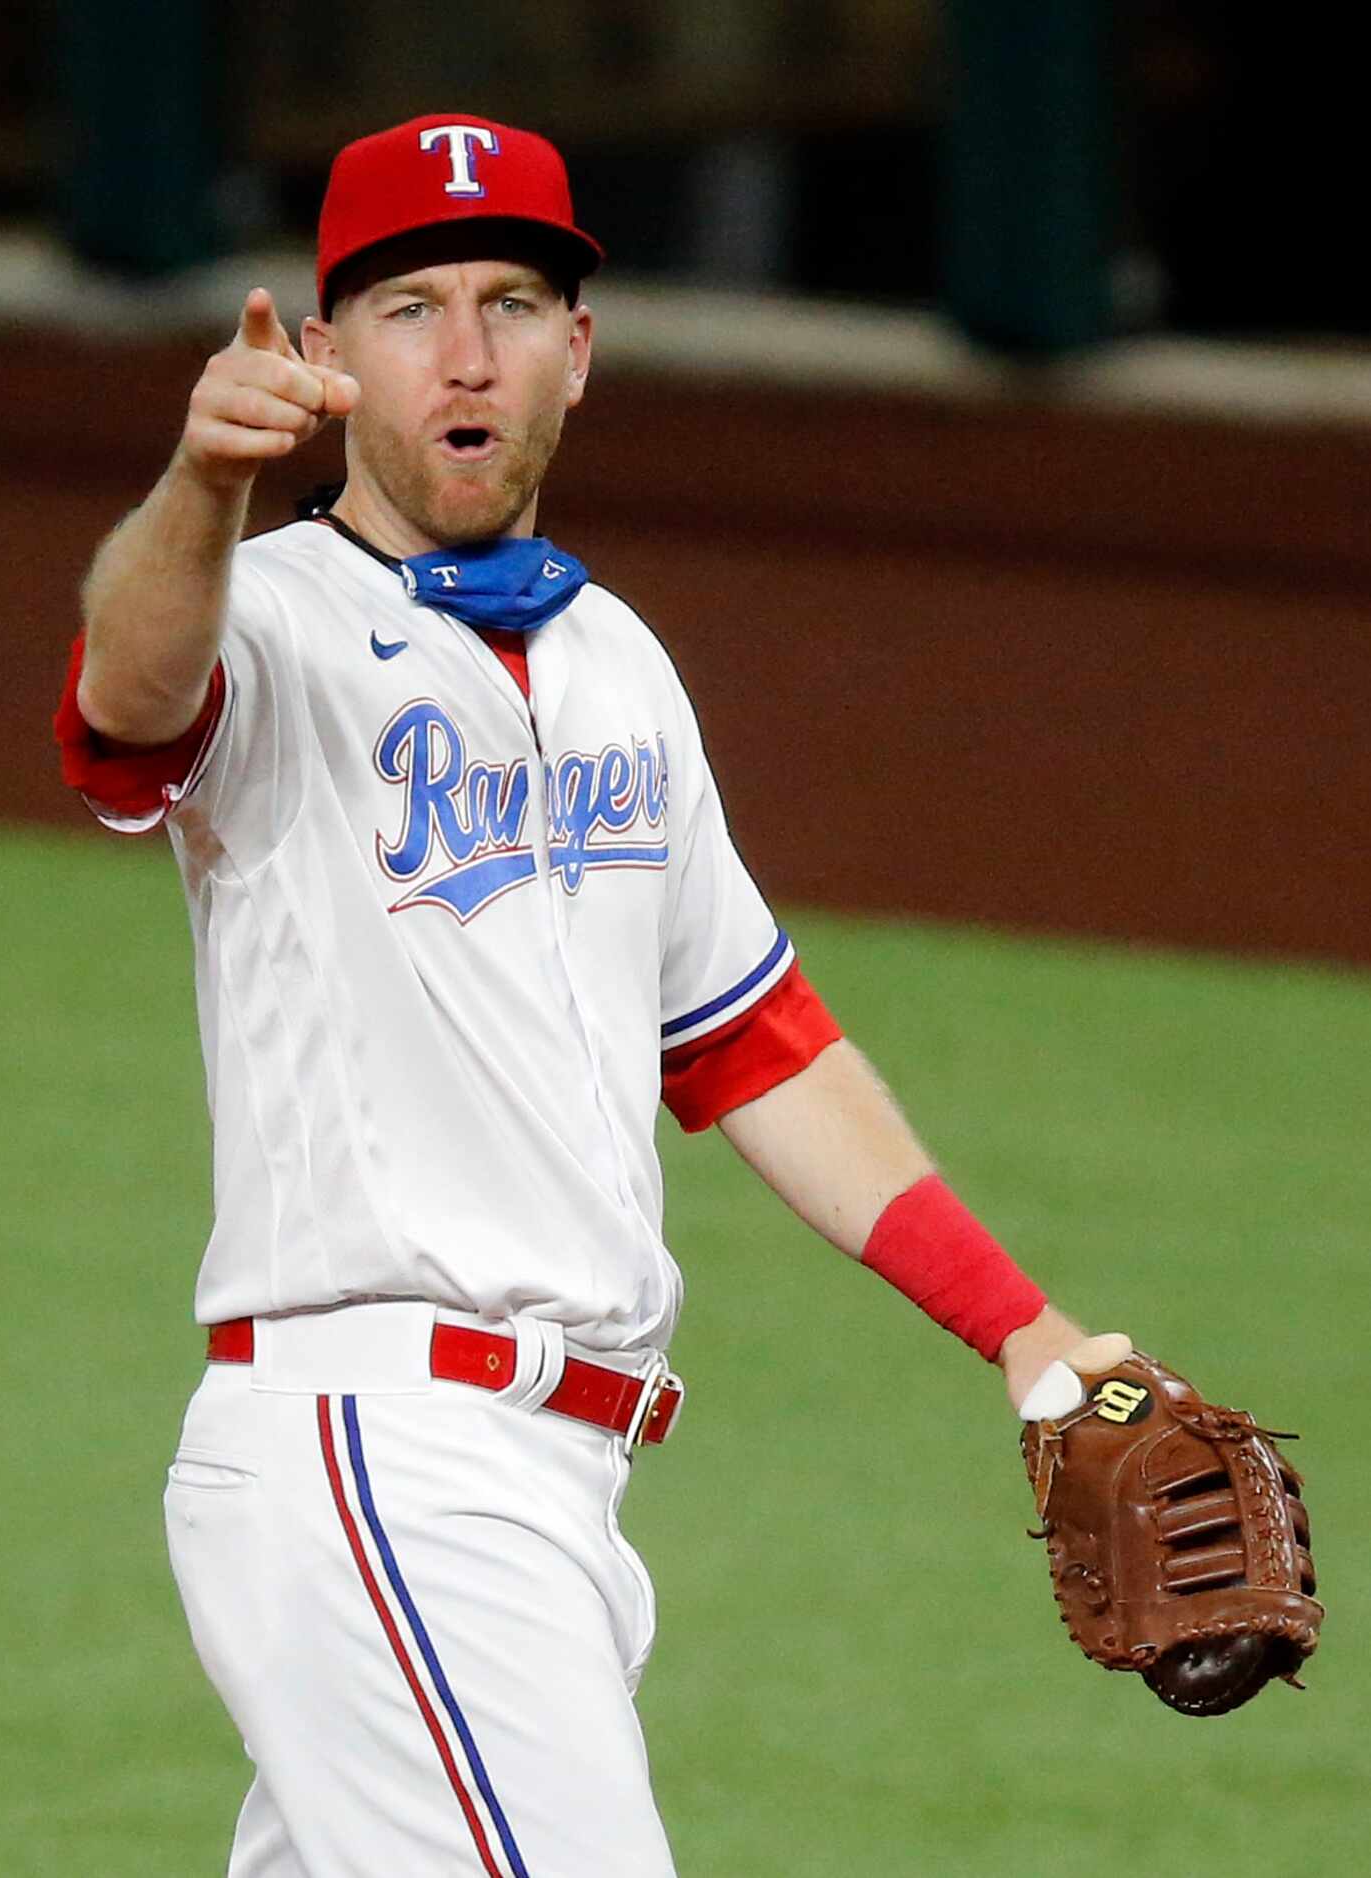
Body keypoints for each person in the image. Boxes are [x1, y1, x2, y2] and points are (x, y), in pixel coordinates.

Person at [56, 113, 1109, 1877]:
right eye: (407, 307)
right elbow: (128, 705)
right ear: (323, 359)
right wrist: (195, 495)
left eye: (511, 300)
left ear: (578, 353)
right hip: (384, 1458)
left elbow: (752, 1038)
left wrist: (1023, 1330)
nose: (465, 353)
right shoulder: (275, 618)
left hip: (557, 1498)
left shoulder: (621, 666)